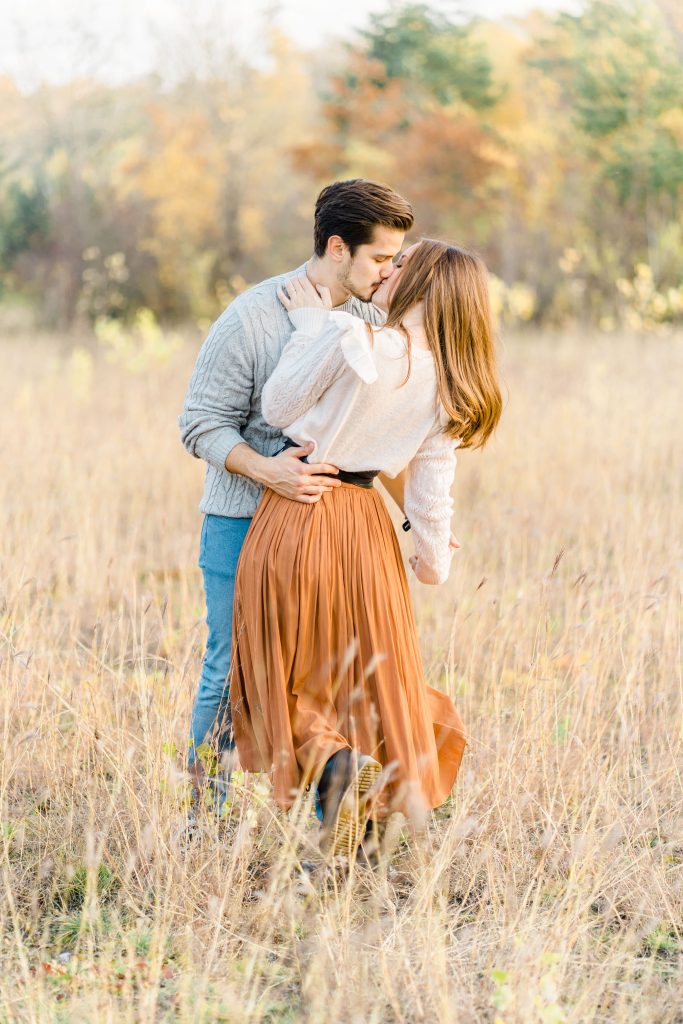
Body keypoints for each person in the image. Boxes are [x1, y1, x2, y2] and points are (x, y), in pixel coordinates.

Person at [228, 239, 503, 857]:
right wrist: (433, 558)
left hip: (299, 513)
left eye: (402, 265)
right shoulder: (448, 385)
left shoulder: (349, 336)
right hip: (370, 533)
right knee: (366, 678)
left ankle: (333, 773)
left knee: (282, 673)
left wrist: (308, 325)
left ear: (425, 286)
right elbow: (431, 504)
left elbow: (278, 406)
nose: (388, 270)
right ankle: (366, 828)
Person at [178, 179, 414, 814]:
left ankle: (334, 817)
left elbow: (380, 435)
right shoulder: (253, 318)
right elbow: (200, 423)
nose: (391, 272)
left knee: (327, 677)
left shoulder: (372, 323)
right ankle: (206, 819)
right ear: (338, 247)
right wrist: (268, 471)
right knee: (231, 669)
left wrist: (417, 519)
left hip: (326, 532)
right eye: (380, 258)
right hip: (241, 520)